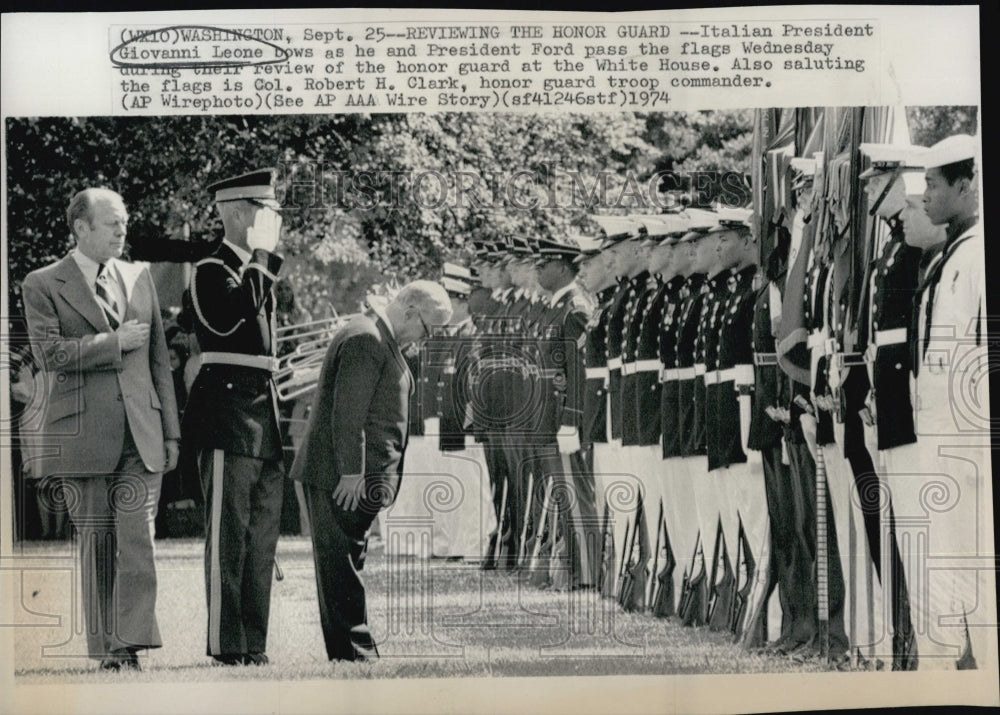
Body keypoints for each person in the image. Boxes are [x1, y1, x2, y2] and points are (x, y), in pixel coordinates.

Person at [22, 187, 180, 671]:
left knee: (139, 539)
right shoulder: (43, 282)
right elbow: (47, 354)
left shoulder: (140, 276)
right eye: (112, 222)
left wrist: (170, 431)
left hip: (142, 431)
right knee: (98, 544)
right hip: (81, 433)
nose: (122, 229)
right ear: (81, 228)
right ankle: (108, 651)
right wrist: (112, 342)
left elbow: (158, 362)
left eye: (124, 221)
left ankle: (128, 644)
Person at [289, 281, 452, 661]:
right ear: (411, 310)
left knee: (347, 566)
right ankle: (353, 654)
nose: (426, 340)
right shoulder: (367, 338)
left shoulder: (377, 335)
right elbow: (348, 416)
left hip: (353, 478)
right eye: (429, 329)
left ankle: (354, 650)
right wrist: (351, 473)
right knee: (340, 569)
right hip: (342, 478)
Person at [183, 168, 285, 666]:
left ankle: (253, 641)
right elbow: (227, 320)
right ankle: (227, 643)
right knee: (228, 537)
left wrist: (263, 264)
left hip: (262, 416)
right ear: (239, 212)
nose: (275, 221)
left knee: (260, 539)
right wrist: (262, 261)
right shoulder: (210, 269)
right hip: (226, 416)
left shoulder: (258, 271)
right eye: (267, 212)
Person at [902, 134, 996, 669]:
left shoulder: (977, 256)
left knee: (975, 566)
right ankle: (947, 669)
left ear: (965, 185)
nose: (926, 196)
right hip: (940, 440)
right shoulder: (951, 256)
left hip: (967, 445)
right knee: (948, 564)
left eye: (934, 185)